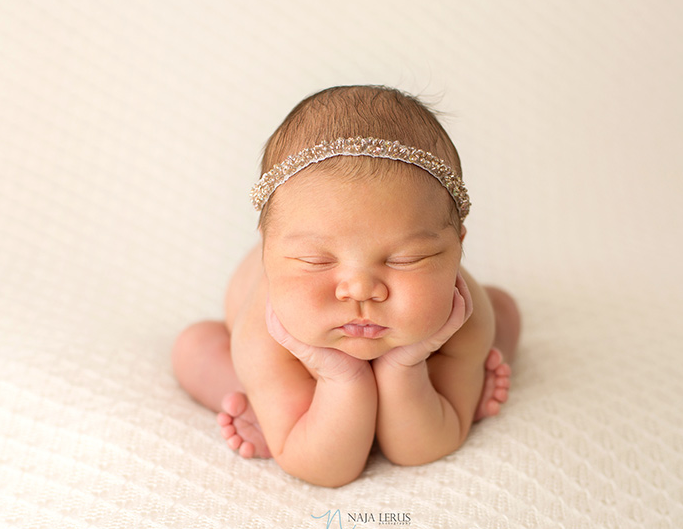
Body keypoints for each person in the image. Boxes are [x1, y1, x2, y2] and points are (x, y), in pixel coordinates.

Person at [172, 85, 520, 487]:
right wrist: (339, 376)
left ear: (457, 247)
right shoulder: (265, 332)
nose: (359, 290)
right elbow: (323, 468)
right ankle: (260, 403)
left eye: (404, 259)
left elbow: (421, 450)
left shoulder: (461, 314)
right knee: (194, 347)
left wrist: (406, 365)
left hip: (429, 353)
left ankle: (467, 377)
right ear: (267, 252)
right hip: (293, 368)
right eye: (316, 262)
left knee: (501, 309)